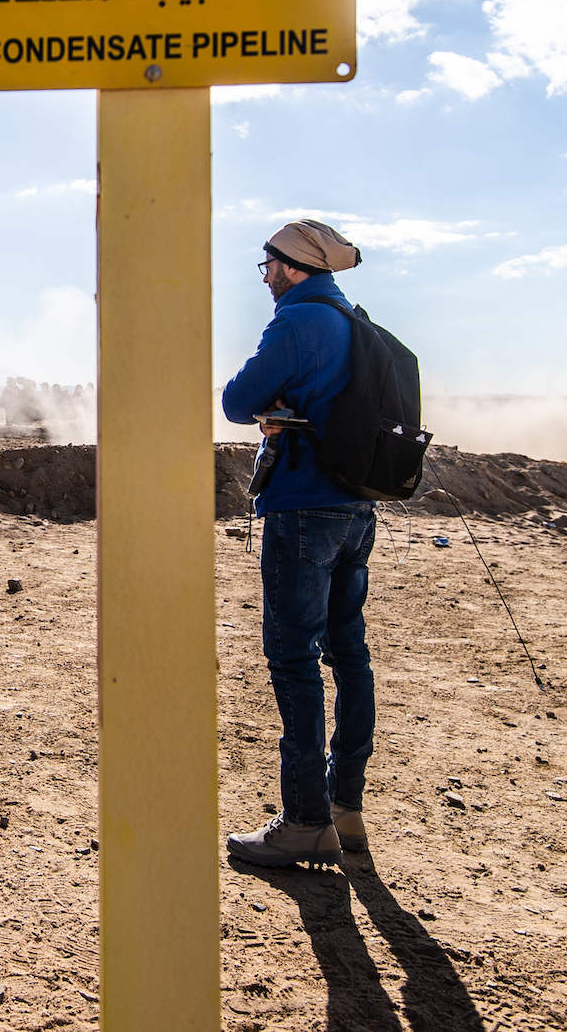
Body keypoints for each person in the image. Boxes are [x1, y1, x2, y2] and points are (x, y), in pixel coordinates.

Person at [220, 219, 374, 870]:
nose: (265, 279)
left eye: (267, 267)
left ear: (292, 265)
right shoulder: (353, 321)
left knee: (292, 655)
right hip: (355, 506)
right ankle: (345, 808)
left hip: (303, 505)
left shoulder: (297, 320)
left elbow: (235, 399)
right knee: (349, 652)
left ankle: (305, 820)